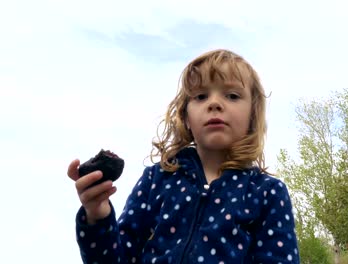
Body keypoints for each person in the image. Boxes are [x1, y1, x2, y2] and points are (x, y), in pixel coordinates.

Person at [67, 49, 300, 263]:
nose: (215, 103)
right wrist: (97, 214)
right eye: (200, 96)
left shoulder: (266, 192)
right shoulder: (156, 179)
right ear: (186, 117)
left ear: (252, 115)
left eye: (231, 95)